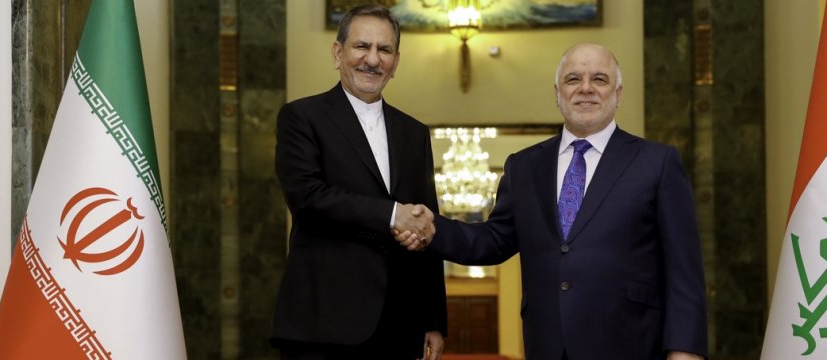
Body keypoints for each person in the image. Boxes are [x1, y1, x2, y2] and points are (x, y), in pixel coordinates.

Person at [398, 43, 708, 360]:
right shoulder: (524, 166)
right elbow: (492, 240)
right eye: (573, 79)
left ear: (618, 94)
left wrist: (686, 351)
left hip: (632, 344)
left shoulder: (657, 162)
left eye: (599, 79)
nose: (585, 89)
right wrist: (433, 229)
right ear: (557, 94)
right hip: (547, 345)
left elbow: (684, 271)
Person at [270, 4, 445, 360]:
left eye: (385, 50)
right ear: (338, 53)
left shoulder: (413, 133)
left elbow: (427, 225)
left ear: (396, 62)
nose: (373, 59)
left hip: (399, 325)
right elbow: (308, 197)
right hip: (323, 323)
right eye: (361, 46)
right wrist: (393, 214)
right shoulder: (301, 117)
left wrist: (434, 319)